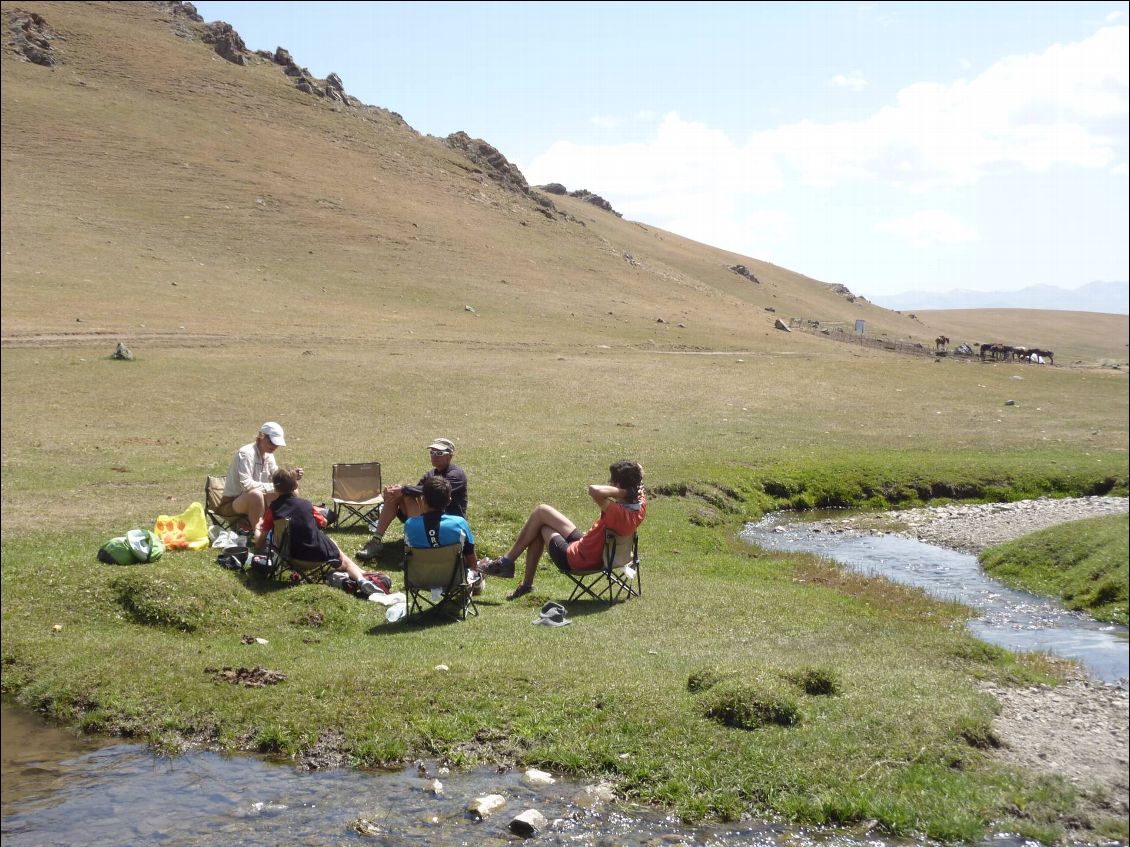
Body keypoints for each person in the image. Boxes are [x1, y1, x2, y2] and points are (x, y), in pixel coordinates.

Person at [480, 460, 646, 600]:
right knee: (542, 511)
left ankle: (513, 571)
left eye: (612, 482)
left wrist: (622, 491)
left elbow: (594, 490)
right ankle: (508, 565)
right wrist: (630, 488)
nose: (609, 483)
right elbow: (639, 470)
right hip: (592, 549)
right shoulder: (639, 505)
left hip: (578, 559)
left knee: (540, 526)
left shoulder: (617, 513)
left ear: (618, 487)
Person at [253, 468, 380, 594]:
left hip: (291, 557)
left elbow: (259, 543)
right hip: (319, 556)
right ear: (296, 485)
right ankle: (361, 578)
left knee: (330, 543)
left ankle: (361, 575)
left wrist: (257, 527)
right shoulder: (307, 505)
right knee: (336, 549)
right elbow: (324, 523)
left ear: (275, 488)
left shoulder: (273, 510)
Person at [356, 437, 468, 562]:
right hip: (428, 516)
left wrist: (403, 490)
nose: (434, 456)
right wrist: (393, 493)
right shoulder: (430, 474)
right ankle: (376, 541)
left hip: (448, 519)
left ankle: (415, 548)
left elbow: (430, 491)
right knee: (400, 495)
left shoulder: (456, 475)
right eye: (432, 452)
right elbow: (416, 491)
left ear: (450, 456)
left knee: (405, 493)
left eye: (439, 453)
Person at [404, 475, 484, 594]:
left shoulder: (410, 524)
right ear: (449, 500)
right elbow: (470, 556)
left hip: (420, 580)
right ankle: (474, 585)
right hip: (455, 580)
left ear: (423, 499)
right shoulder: (459, 523)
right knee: (476, 565)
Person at [221, 422, 299, 537]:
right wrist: (277, 486)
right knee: (256, 495)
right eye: (272, 442)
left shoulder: (269, 455)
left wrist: (290, 478)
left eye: (277, 443)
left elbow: (276, 476)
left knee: (292, 491)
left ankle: (286, 532)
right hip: (232, 503)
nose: (274, 446)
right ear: (261, 436)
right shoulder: (246, 453)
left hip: (258, 499)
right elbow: (246, 485)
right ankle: (260, 537)